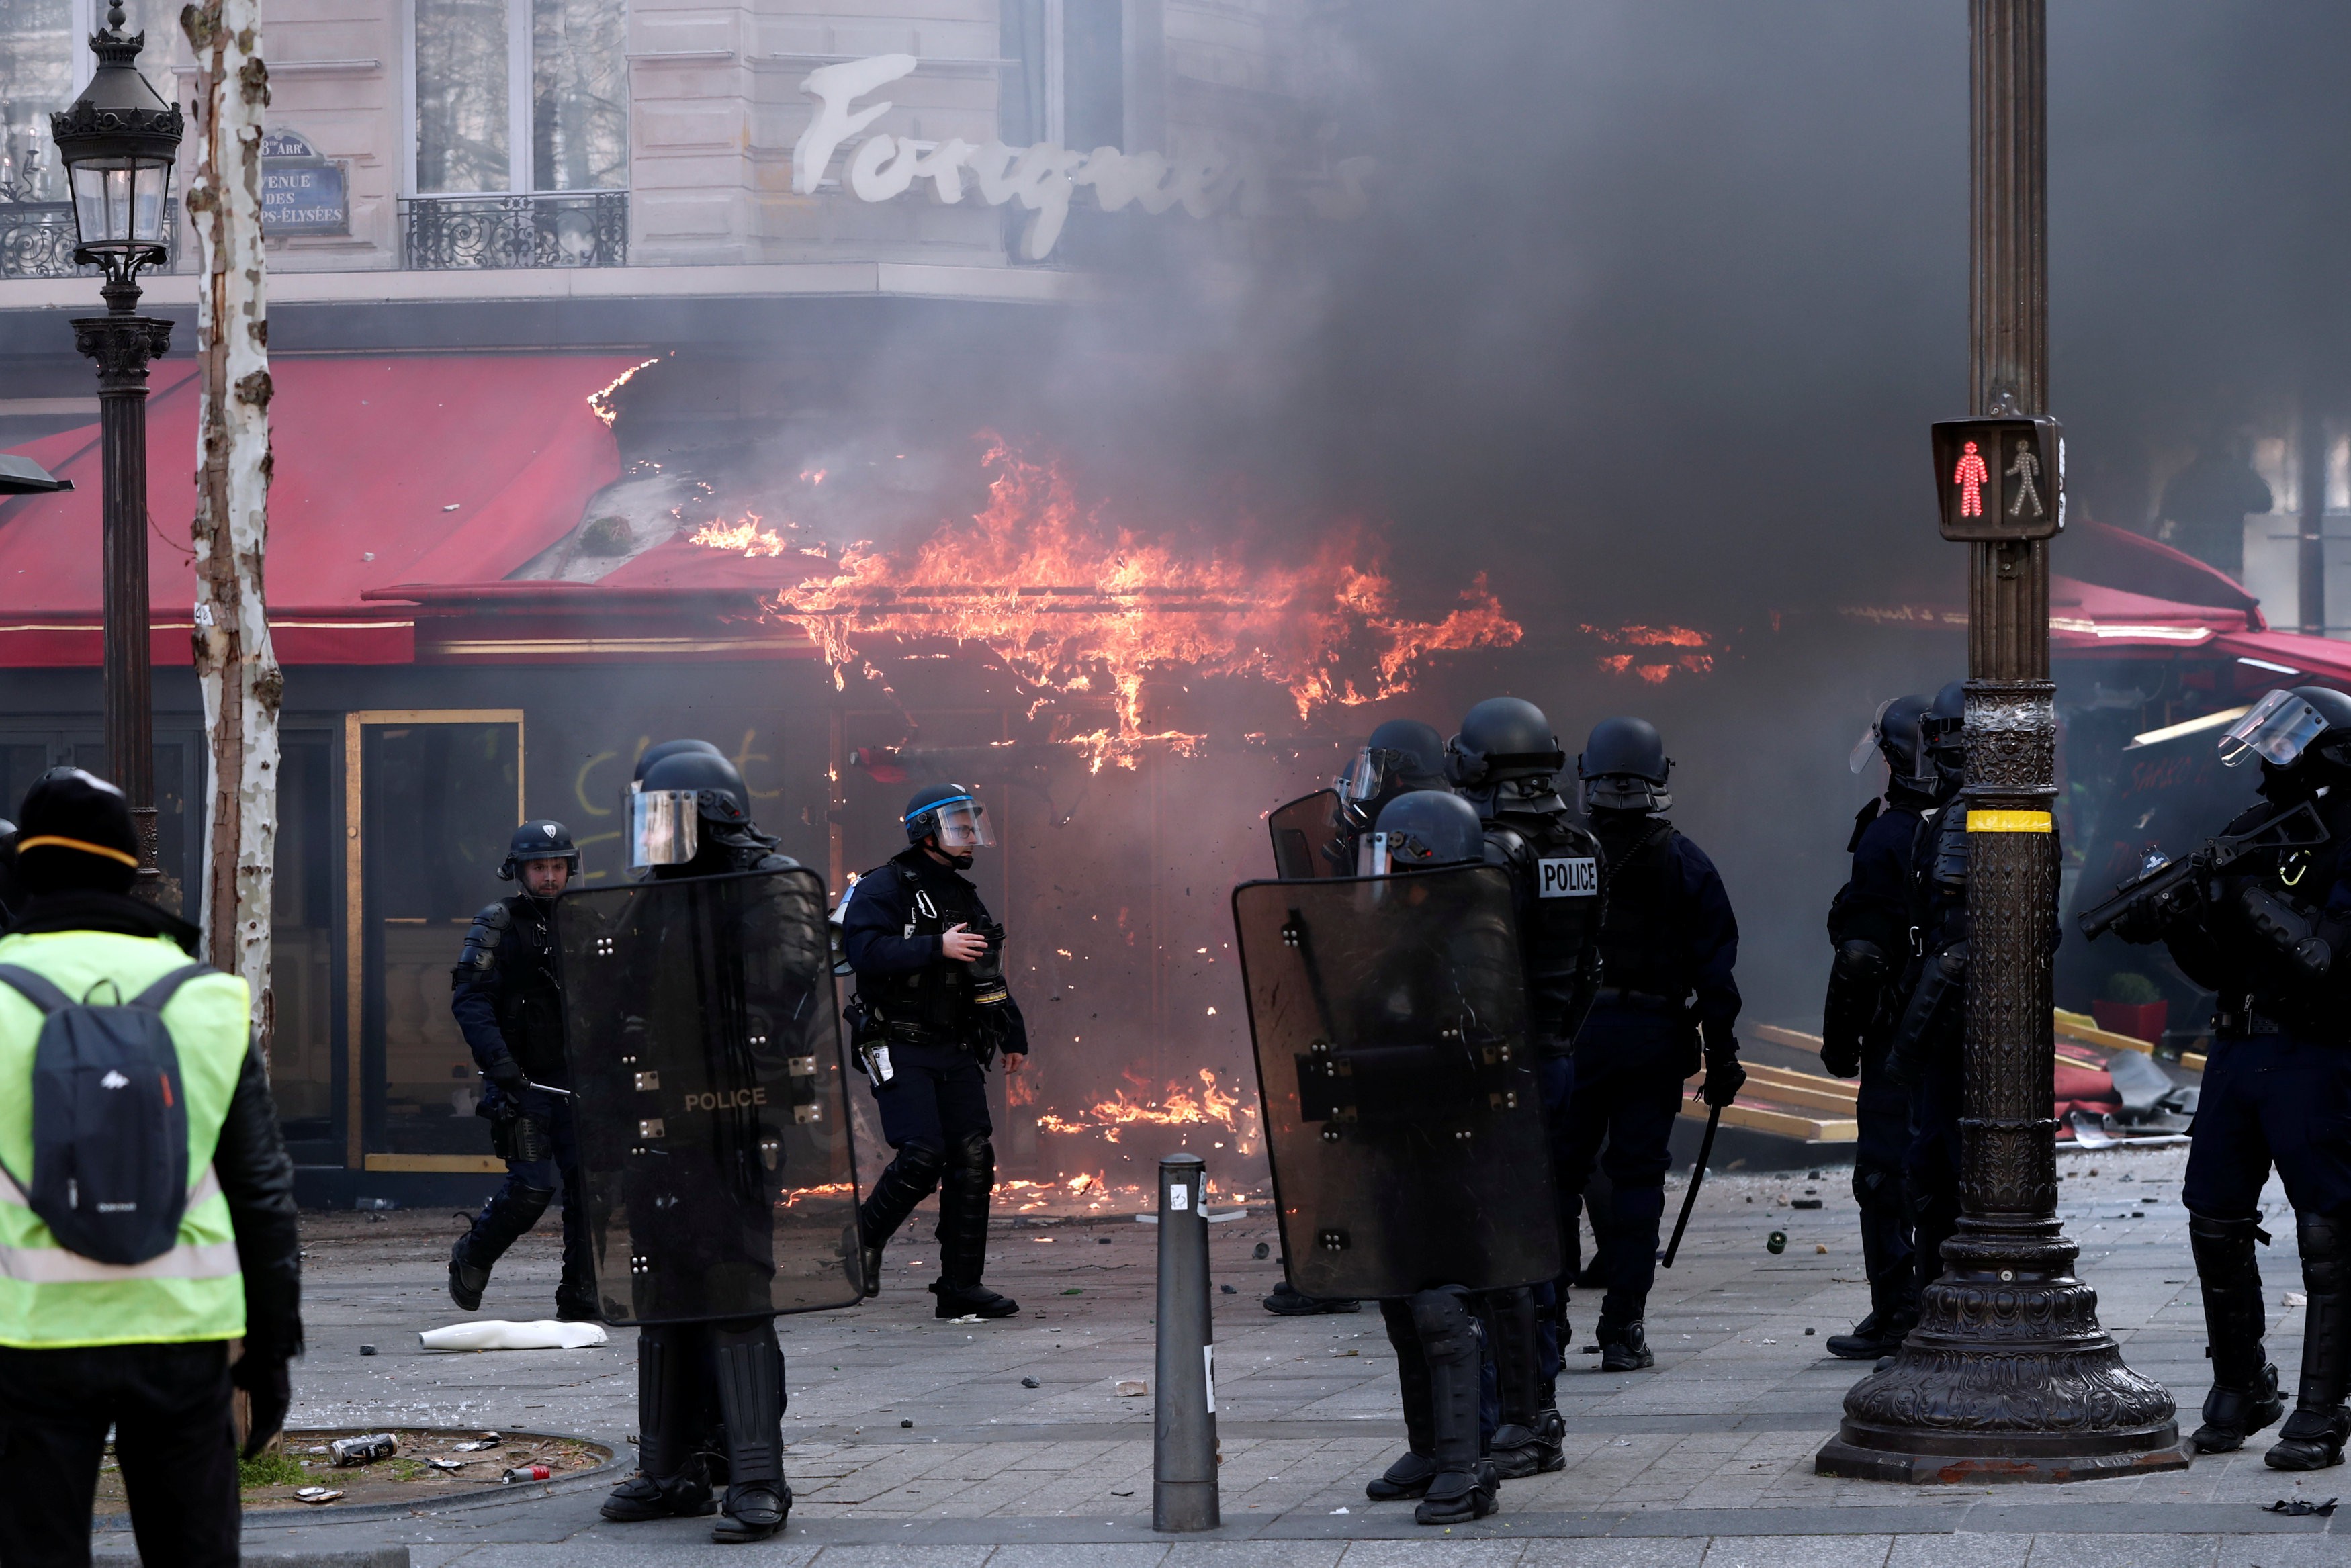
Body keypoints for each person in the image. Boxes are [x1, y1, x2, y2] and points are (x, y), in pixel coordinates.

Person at [0, 768, 302, 1567]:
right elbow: (262, 1191)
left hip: (28, 1341)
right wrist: (270, 1350)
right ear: (129, 870)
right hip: (183, 1332)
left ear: (24, 868)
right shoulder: (209, 998)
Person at [2095, 686, 2351, 1468]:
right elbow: (2216, 969)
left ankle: (2319, 1411)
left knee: (2326, 1231)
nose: (2270, 752)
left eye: (2287, 738)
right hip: (2236, 1048)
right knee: (2211, 1213)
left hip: (2313, 1049)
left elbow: (2322, 962)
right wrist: (2176, 919)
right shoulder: (2252, 825)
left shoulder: (2343, 828)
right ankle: (2242, 1384)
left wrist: (2245, 894)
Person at [598, 747, 801, 1541]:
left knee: (734, 1289)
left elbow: (784, 994)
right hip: (661, 1122)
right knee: (663, 1291)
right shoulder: (651, 897)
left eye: (665, 813)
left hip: (734, 1121)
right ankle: (671, 1467)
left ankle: (757, 1478)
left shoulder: (767, 883)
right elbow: (613, 991)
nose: (652, 831)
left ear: (710, 814)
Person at [1339, 788, 1527, 1524]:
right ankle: (1427, 1447)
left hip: (1456, 1144)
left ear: (1424, 856)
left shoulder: (1474, 930)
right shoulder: (1407, 925)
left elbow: (1473, 1048)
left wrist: (1393, 1059)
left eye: (1391, 853)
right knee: (1399, 1293)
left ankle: (1464, 1463)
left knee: (1441, 1300)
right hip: (1400, 1135)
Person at [1446, 696, 1605, 1469]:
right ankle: (1533, 1404)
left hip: (1500, 1065)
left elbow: (1474, 971)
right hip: (1554, 1054)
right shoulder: (1579, 844)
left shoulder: (1490, 853)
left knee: (1500, 1244)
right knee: (1541, 1225)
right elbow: (1587, 963)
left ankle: (1524, 1413)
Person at [1558, 717, 1744, 1372]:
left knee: (1557, 1178)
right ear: (1658, 780)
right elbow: (1715, 976)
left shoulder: (1559, 860)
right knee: (1637, 1180)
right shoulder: (1685, 862)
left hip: (1572, 1039)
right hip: (1653, 1040)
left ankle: (1543, 1329)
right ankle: (1622, 1329)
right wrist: (1721, 1055)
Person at [841, 782, 1029, 1321]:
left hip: (955, 1045)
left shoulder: (963, 894)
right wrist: (934, 946)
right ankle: (859, 1244)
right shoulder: (881, 886)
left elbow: (984, 969)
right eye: (960, 826)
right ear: (928, 831)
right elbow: (865, 951)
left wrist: (1011, 1031)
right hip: (897, 1041)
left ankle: (961, 1287)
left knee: (973, 1155)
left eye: (973, 826)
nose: (971, 837)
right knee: (922, 1154)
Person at [1818, 694, 1938, 1360]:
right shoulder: (1976, 823)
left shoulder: (1888, 833)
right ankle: (1940, 1302)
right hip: (1959, 1032)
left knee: (1884, 1175)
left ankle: (1898, 1311)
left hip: (1897, 1034)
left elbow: (1861, 956)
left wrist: (1839, 1042)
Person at [448, 819, 591, 1320]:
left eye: (557, 866)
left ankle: (581, 1295)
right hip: (523, 1080)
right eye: (539, 867)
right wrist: (500, 1063)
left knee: (591, 1187)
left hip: (578, 1080)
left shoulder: (588, 920)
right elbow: (470, 998)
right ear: (519, 871)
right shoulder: (499, 923)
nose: (549, 877)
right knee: (531, 1187)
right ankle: (473, 1253)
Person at [1882, 682, 1970, 1305]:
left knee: (1962, 1174)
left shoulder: (1975, 817)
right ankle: (1932, 1310)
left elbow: (1962, 947)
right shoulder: (1946, 817)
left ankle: (1964, 1308)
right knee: (1930, 1171)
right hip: (1947, 1033)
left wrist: (1912, 1032)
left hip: (1967, 1031)